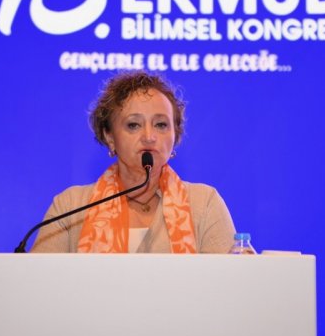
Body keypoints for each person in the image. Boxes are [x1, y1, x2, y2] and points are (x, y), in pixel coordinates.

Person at [31, 71, 236, 253]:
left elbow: (227, 280)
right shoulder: (71, 207)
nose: (149, 137)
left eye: (161, 124)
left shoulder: (204, 204)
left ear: (175, 135)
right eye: (134, 125)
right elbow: (39, 279)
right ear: (110, 136)